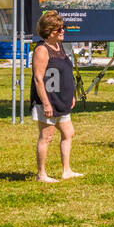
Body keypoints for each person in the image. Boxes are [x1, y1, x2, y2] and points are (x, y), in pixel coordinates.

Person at [31, 10, 82, 183]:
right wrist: (46, 103)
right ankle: (41, 174)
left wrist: (71, 95)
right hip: (48, 101)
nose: (62, 31)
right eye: (58, 29)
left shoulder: (60, 47)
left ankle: (66, 170)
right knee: (47, 137)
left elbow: (65, 73)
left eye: (63, 27)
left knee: (69, 133)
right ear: (48, 31)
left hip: (62, 100)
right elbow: (38, 79)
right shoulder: (42, 49)